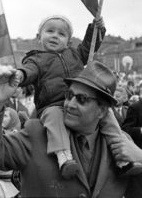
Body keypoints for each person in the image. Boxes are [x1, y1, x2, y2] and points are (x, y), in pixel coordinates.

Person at [0, 62, 131, 198]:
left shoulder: (123, 147)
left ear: (102, 110)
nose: (70, 104)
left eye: (82, 99)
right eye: (69, 95)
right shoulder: (37, 132)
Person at [16, 14, 106, 178]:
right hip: (53, 105)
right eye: (50, 31)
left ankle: (125, 151)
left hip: (79, 101)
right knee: (54, 116)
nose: (55, 36)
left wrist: (96, 28)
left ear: (69, 42)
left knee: (106, 114)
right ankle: (64, 156)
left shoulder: (76, 55)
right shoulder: (35, 59)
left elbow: (89, 45)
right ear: (38, 37)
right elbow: (29, 72)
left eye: (61, 34)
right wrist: (19, 75)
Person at [0, 107, 21, 198]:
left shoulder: (19, 137)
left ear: (13, 120)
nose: (1, 118)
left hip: (11, 185)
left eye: (5, 116)